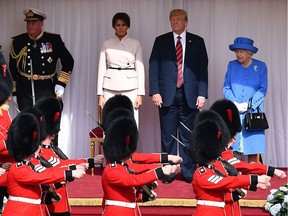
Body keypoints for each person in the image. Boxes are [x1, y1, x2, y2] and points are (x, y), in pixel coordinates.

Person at [149, 9, 208, 183]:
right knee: (168, 136)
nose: (175, 22)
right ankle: (168, 172)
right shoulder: (161, 41)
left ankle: (188, 172)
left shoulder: (197, 41)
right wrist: (155, 91)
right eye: (172, 19)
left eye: (179, 19)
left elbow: (202, 70)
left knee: (188, 136)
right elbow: (153, 67)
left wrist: (202, 94)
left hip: (190, 95)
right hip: (166, 95)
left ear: (186, 21)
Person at [101, 101, 181, 216]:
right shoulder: (112, 169)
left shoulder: (122, 165)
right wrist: (160, 169)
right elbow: (133, 180)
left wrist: (140, 197)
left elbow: (128, 189)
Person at [189, 110, 271, 216]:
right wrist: (254, 179)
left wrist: (252, 186)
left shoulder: (212, 169)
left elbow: (223, 191)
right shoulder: (202, 174)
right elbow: (227, 182)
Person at [2, 112, 85, 216]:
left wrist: (49, 198)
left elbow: (37, 187)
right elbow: (41, 177)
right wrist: (68, 173)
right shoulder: (19, 168)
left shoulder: (26, 165)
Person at [9, 8, 74, 111]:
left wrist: (61, 83)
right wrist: (14, 91)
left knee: (48, 123)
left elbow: (69, 61)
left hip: (47, 88)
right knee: (28, 124)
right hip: (24, 91)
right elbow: (12, 68)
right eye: (28, 23)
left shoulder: (53, 40)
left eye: (33, 23)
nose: (29, 26)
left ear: (41, 23)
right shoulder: (18, 41)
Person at [223, 37, 268, 163]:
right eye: (236, 51)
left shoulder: (260, 66)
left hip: (253, 113)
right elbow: (226, 88)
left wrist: (249, 105)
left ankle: (254, 178)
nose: (238, 54)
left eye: (241, 51)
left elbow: (262, 89)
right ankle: (236, 177)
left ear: (250, 53)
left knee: (253, 146)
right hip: (235, 112)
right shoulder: (232, 65)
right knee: (233, 146)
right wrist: (235, 104)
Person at [97, 12, 145, 126]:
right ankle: (110, 143)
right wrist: (100, 94)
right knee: (109, 117)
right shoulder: (106, 44)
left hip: (131, 86)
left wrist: (140, 94)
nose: (121, 28)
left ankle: (131, 143)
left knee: (131, 118)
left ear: (128, 26)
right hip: (109, 86)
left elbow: (140, 69)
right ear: (113, 26)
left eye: (123, 25)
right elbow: (101, 69)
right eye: (118, 25)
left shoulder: (135, 44)